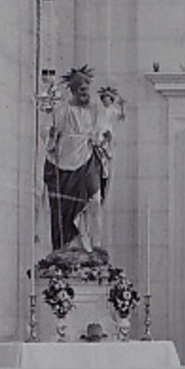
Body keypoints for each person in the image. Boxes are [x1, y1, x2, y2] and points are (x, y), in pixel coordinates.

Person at [44, 66, 113, 256]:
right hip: (66, 159)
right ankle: (72, 241)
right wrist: (50, 135)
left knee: (95, 199)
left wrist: (104, 137)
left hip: (89, 156)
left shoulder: (94, 110)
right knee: (69, 205)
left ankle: (94, 242)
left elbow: (104, 129)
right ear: (73, 90)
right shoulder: (62, 110)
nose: (86, 94)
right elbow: (48, 130)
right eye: (82, 90)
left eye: (87, 90)